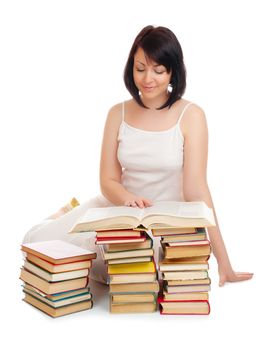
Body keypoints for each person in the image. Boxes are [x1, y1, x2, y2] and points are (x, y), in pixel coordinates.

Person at [23, 25, 253, 287]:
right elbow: (108, 180)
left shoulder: (191, 115)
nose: (147, 78)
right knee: (35, 240)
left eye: (158, 70)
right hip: (118, 208)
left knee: (133, 270)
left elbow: (197, 190)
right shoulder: (116, 113)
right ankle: (66, 214)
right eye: (140, 68)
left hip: (164, 222)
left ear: (173, 72)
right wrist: (128, 199)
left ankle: (72, 214)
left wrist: (224, 262)